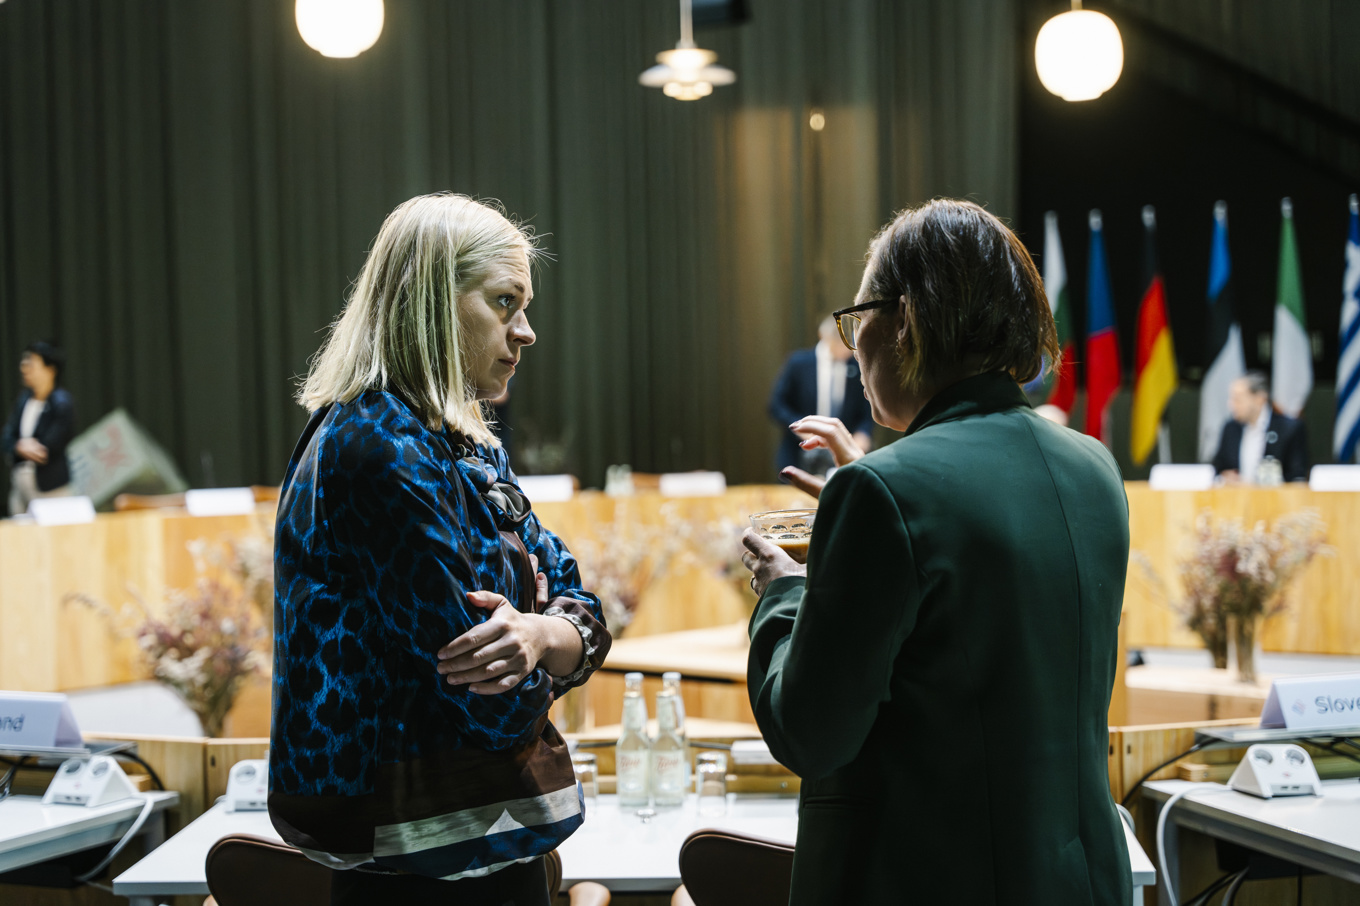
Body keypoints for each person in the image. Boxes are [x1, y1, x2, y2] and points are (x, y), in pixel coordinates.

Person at [741, 200, 1132, 904]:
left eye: (859, 318)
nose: (854, 345)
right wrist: (872, 484)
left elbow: (810, 734)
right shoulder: (1094, 467)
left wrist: (784, 591)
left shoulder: (883, 492)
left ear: (907, 320)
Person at [270, 193, 611, 906]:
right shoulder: (377, 446)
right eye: (505, 302)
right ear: (431, 300)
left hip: (471, 848)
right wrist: (548, 640)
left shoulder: (456, 437)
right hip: (420, 872)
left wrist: (542, 632)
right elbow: (489, 701)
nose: (527, 332)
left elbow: (576, 595)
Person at [767, 315, 875, 479]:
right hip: (798, 454)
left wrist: (863, 433)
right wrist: (800, 427)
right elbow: (776, 405)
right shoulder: (798, 363)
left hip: (842, 456)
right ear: (824, 337)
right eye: (841, 343)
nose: (847, 349)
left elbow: (867, 409)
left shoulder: (857, 366)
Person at [2, 341, 76, 516]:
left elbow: (50, 444)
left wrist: (30, 447)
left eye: (31, 364)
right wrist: (17, 446)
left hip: (50, 489)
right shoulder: (24, 399)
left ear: (50, 370)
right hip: (21, 486)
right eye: (24, 363)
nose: (24, 368)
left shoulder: (61, 402)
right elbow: (7, 435)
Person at [1210, 371, 1309, 483]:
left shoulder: (1289, 429)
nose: (1231, 404)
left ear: (1259, 399)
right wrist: (1225, 477)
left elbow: (1297, 477)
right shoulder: (1230, 429)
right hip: (1235, 499)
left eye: (1238, 399)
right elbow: (1218, 469)